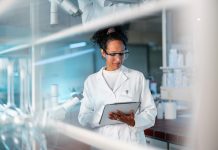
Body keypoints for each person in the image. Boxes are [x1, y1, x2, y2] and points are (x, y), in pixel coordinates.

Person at [78, 26, 157, 144]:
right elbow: (83, 117)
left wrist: (134, 121)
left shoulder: (137, 77)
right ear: (103, 53)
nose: (118, 59)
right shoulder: (91, 81)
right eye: (113, 54)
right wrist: (104, 116)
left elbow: (150, 112)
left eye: (122, 53)